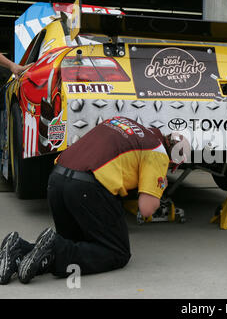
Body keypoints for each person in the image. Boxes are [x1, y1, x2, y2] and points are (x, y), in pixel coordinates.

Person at [0, 116, 190, 284]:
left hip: (56, 181)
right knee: (117, 252)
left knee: (77, 246)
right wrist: (159, 186)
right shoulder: (157, 151)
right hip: (87, 187)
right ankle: (54, 249)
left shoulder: (123, 123)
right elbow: (146, 208)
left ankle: (19, 248)